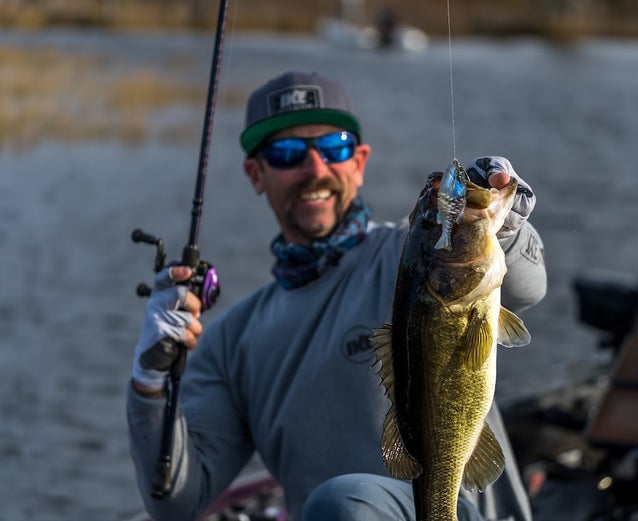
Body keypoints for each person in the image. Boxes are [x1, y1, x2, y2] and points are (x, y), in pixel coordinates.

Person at [127, 70, 547, 521]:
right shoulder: (231, 342)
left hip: (457, 510)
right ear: (256, 174)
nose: (315, 169)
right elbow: (174, 501)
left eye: (335, 147)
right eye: (287, 153)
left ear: (359, 161)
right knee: (341, 503)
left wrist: (501, 224)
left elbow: (527, 286)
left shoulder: (410, 255)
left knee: (343, 500)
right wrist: (149, 382)